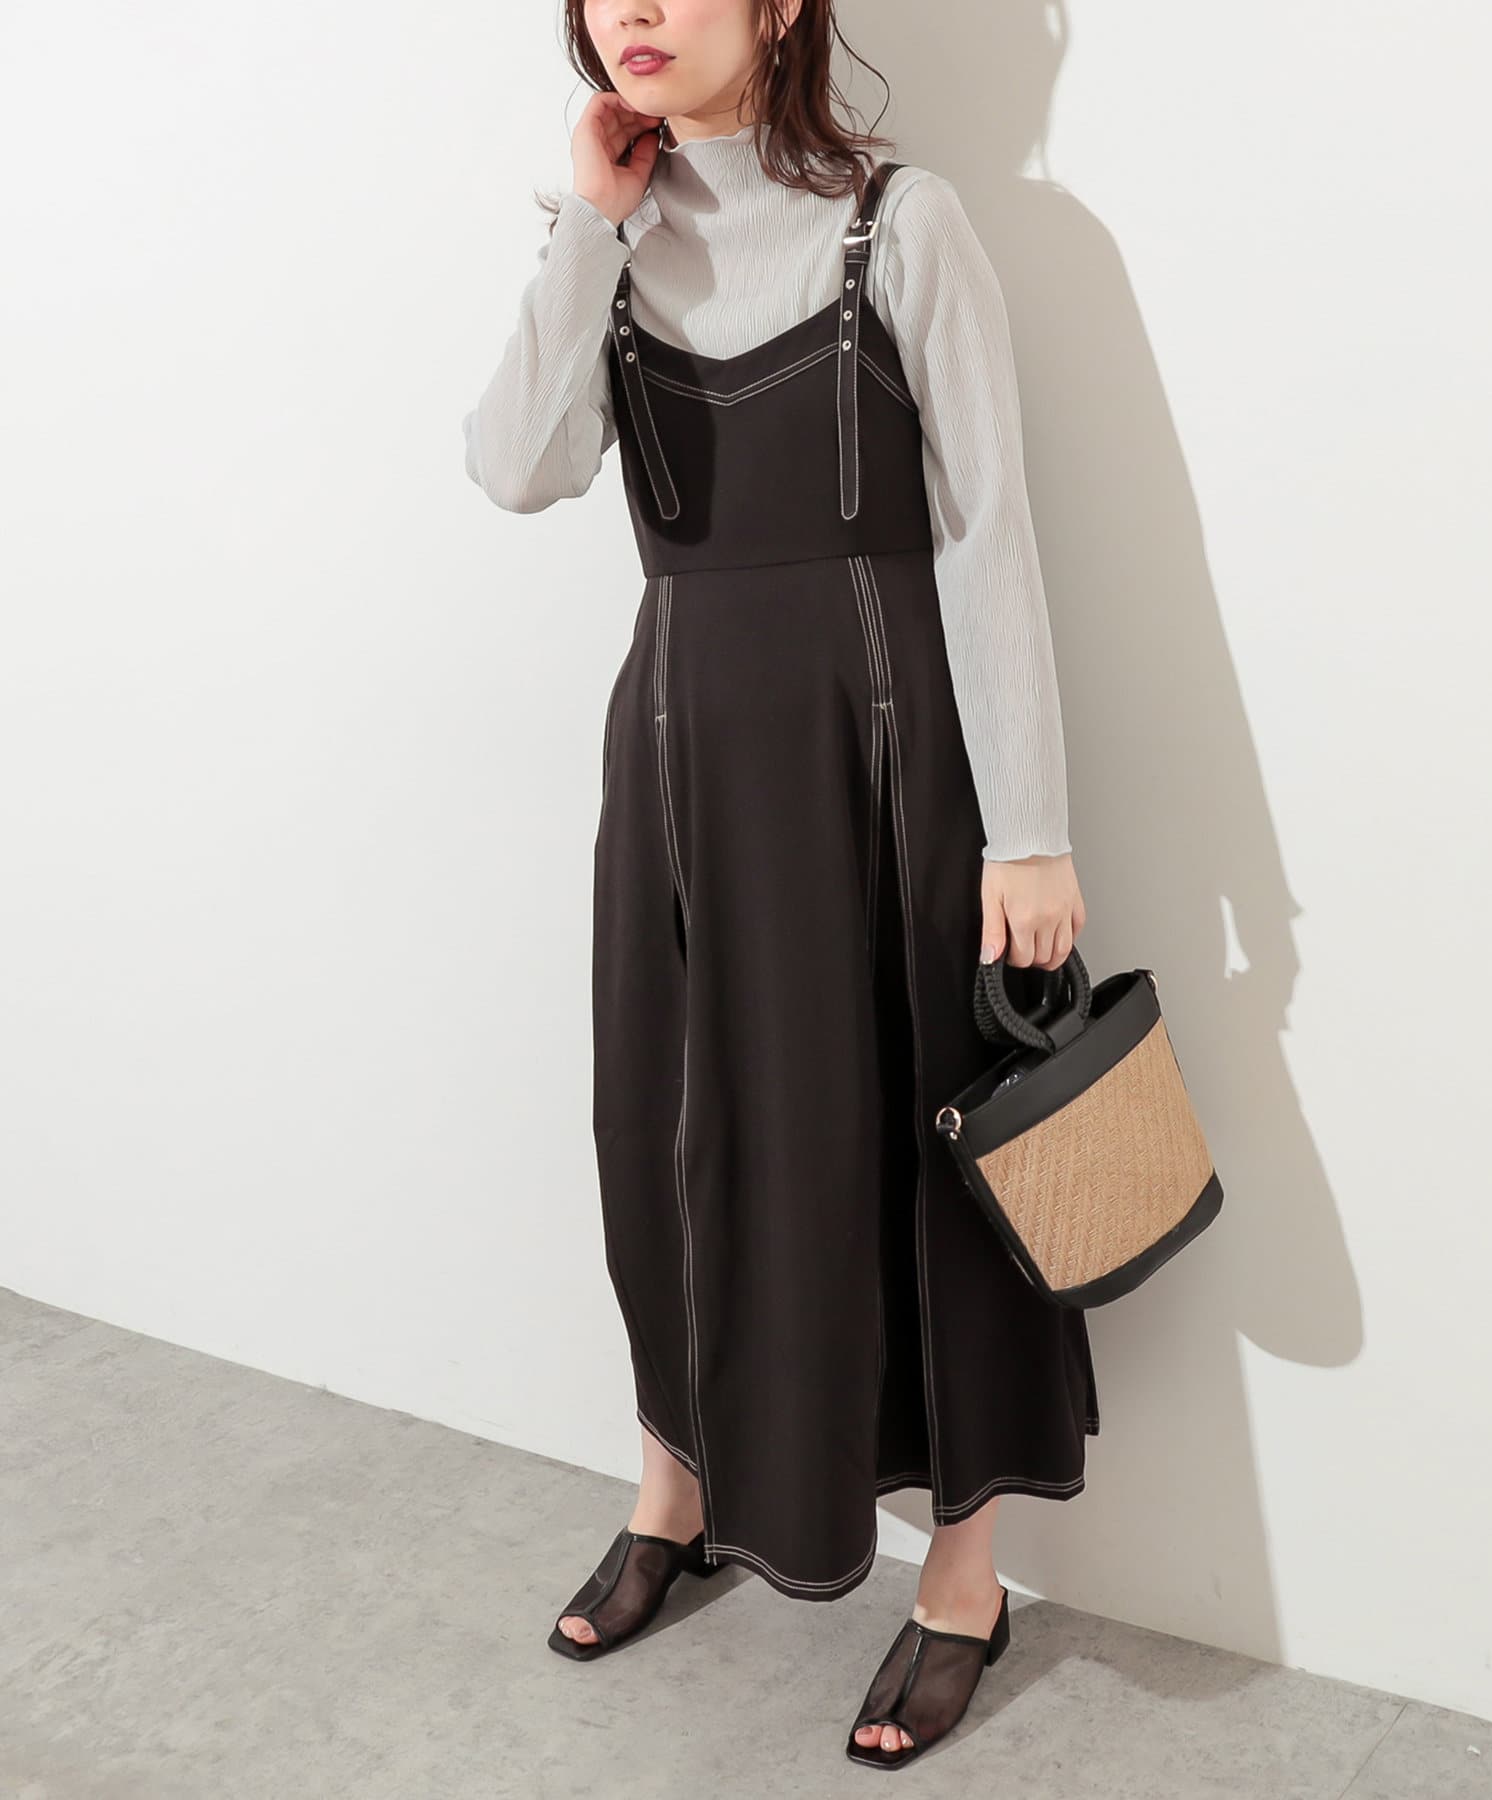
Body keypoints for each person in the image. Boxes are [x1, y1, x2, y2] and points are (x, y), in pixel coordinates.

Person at [462, 0, 1099, 1770]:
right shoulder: (604, 242)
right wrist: (588, 228)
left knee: (924, 1140)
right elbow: (515, 469)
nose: (634, 11)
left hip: (888, 766)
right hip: (679, 768)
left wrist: (1032, 830)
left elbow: (987, 528)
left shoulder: (905, 223)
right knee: (665, 1131)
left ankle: (962, 1579)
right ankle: (673, 1490)